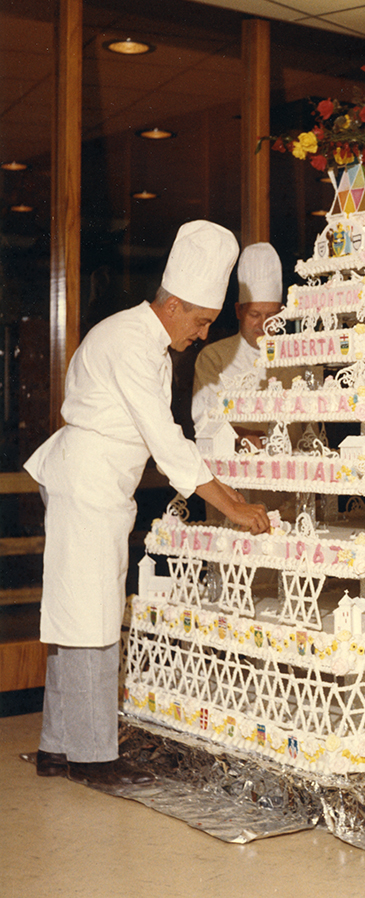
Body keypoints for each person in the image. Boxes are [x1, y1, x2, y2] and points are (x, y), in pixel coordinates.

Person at [25, 220, 272, 788]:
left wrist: (223, 490)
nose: (203, 333)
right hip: (86, 481)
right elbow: (163, 438)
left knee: (76, 613)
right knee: (90, 618)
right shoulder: (130, 341)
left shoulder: (147, 341)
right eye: (202, 321)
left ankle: (58, 746)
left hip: (97, 483)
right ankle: (94, 759)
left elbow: (170, 441)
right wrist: (229, 506)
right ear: (175, 305)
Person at [192, 241, 285, 431]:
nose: (263, 324)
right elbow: (204, 419)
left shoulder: (297, 357)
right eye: (254, 315)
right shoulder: (213, 358)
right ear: (238, 312)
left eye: (271, 316)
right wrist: (242, 436)